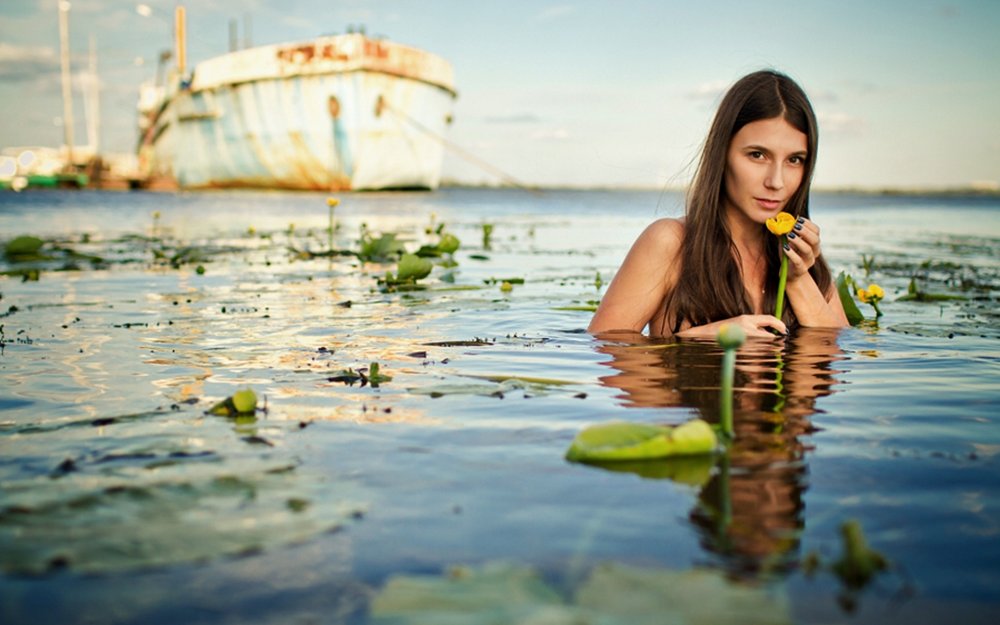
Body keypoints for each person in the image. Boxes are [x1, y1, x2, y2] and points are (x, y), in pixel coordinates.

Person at [589, 70, 848, 338]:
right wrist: (702, 338)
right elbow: (605, 347)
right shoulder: (671, 243)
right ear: (722, 153)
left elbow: (836, 360)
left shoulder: (805, 259)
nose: (776, 181)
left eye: (794, 160)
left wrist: (797, 278)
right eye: (757, 155)